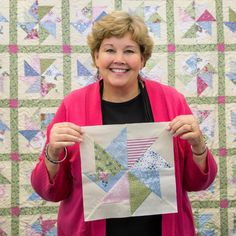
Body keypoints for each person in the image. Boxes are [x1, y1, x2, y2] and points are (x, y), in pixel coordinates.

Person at [31, 11, 217, 236]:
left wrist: (198, 146)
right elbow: (50, 192)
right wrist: (52, 151)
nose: (119, 59)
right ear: (96, 56)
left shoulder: (171, 101)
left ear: (143, 58)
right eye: (110, 50)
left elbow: (197, 183)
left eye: (129, 51)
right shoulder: (73, 106)